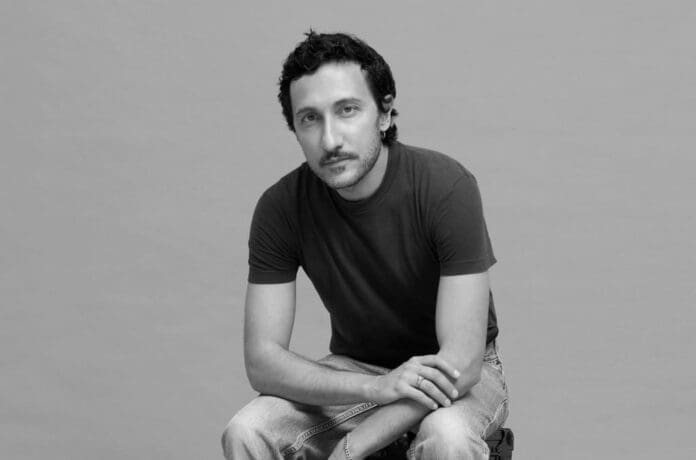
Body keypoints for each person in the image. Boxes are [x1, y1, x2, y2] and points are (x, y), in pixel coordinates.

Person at [222, 30, 509, 460]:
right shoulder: (280, 208)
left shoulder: (446, 186)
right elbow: (262, 362)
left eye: (347, 110)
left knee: (447, 435)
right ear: (295, 130)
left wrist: (354, 446)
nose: (330, 139)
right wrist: (374, 387)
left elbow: (461, 364)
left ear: (384, 114)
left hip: (465, 374)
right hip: (358, 369)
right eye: (310, 119)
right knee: (247, 430)